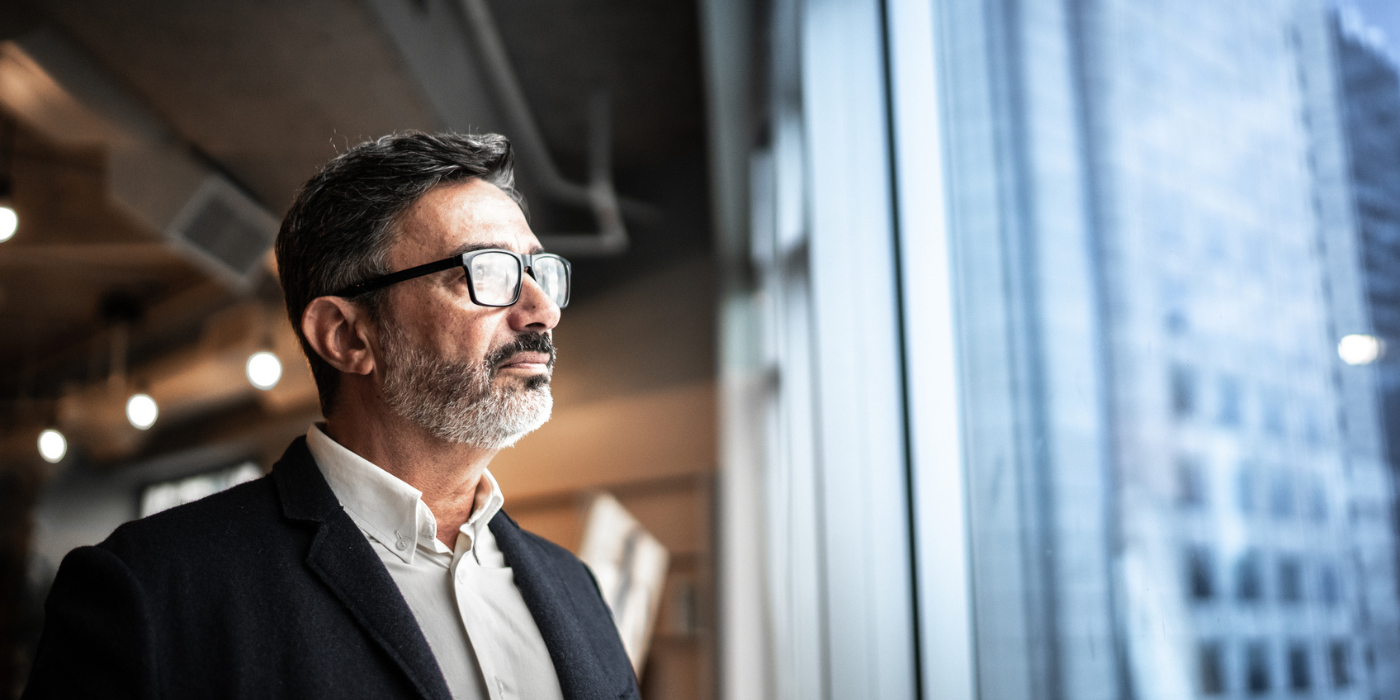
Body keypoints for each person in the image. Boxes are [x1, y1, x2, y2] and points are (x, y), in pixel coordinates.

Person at [23, 132, 639, 700]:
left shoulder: (575, 588)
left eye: (537, 270)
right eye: (488, 273)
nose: (542, 312)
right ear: (348, 336)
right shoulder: (152, 591)